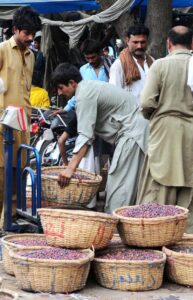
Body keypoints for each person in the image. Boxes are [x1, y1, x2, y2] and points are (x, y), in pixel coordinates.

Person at [51, 63, 149, 213]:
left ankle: (114, 224)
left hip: (132, 134)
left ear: (72, 83)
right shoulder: (88, 88)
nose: (59, 93)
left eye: (61, 87)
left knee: (119, 184)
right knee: (130, 183)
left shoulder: (84, 94)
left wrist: (70, 169)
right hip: (134, 132)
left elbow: (85, 136)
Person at [137, 26, 193, 233]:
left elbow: (146, 103)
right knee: (189, 193)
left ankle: (155, 239)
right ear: (192, 43)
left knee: (158, 190)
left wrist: (155, 116)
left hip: (164, 133)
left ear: (168, 43)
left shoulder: (160, 65)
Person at [0, 6, 41, 228]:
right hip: (3, 124)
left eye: (32, 33)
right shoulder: (3, 50)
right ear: (15, 29)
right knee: (1, 174)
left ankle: (9, 222)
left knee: (18, 172)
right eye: (26, 33)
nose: (30, 37)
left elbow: (26, 91)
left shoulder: (32, 55)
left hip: (23, 124)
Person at [109, 24, 153, 103]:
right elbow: (113, 96)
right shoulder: (119, 65)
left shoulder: (152, 61)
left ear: (147, 42)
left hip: (152, 112)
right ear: (127, 41)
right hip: (130, 113)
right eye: (135, 42)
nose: (139, 46)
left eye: (142, 42)